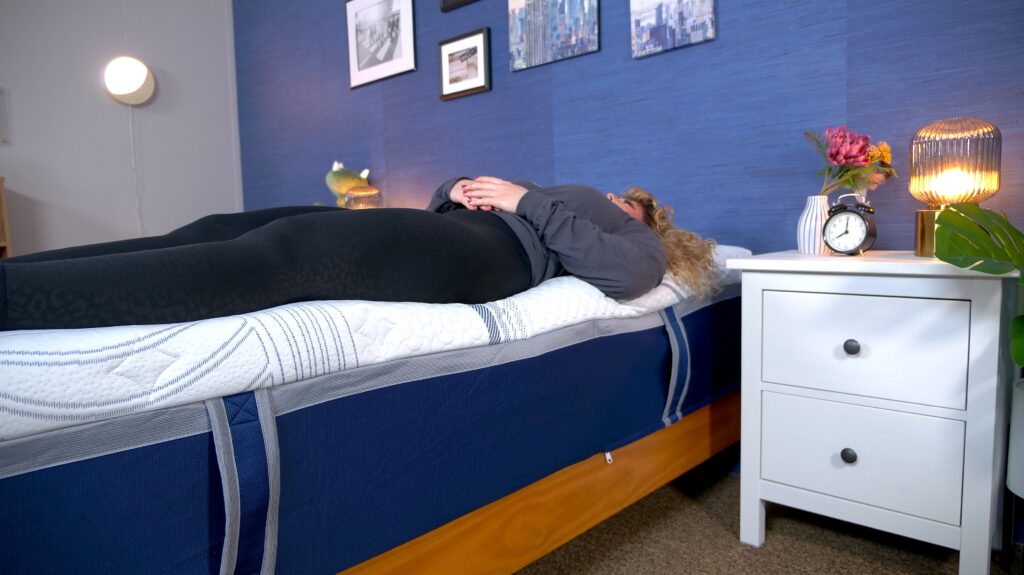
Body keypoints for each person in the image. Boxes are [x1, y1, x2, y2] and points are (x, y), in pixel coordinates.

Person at [0, 176, 715, 331]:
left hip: (490, 256)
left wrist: (526, 200)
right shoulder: (550, 200)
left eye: (628, 200)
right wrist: (454, 189)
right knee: (220, 224)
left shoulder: (638, 237)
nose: (614, 197)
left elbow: (630, 277)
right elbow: (438, 213)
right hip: (458, 231)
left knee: (290, 253)